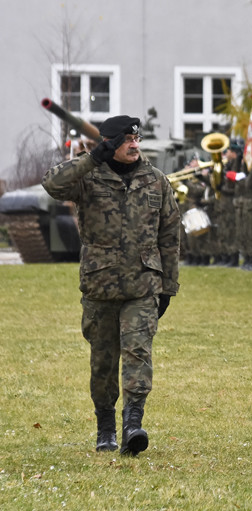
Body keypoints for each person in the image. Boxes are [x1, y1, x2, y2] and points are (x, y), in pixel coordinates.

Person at [42, 115, 181, 456]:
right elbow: (52, 184)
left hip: (142, 286)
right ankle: (106, 428)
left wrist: (168, 287)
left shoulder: (155, 180)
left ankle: (133, 424)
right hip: (100, 287)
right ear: (109, 144)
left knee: (139, 354)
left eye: (137, 139)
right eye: (126, 140)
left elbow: (170, 234)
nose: (134, 144)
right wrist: (91, 158)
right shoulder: (88, 178)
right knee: (103, 363)